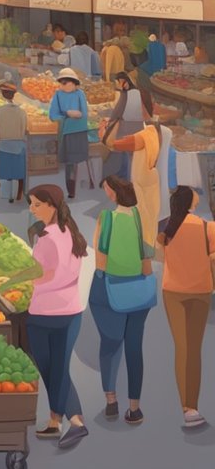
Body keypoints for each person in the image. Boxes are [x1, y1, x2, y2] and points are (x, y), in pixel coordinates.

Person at [25, 184, 89, 448]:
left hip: (45, 312)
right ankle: (60, 422)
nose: (31, 208)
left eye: (37, 204)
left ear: (51, 205)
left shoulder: (48, 237)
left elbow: (49, 275)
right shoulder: (71, 231)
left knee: (51, 369)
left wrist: (26, 284)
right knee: (60, 369)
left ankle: (70, 422)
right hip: (72, 311)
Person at [89, 176, 153, 425]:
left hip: (111, 288)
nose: (106, 193)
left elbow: (100, 255)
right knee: (134, 348)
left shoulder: (106, 218)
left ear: (114, 193)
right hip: (138, 291)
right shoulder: (140, 217)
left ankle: (111, 401)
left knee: (110, 343)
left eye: (106, 189)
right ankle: (135, 408)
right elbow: (147, 259)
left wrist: (99, 282)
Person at [157, 185, 215, 429]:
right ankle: (193, 404)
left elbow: (160, 257)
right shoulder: (208, 227)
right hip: (201, 292)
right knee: (194, 350)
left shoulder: (163, 228)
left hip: (173, 292)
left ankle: (187, 408)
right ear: (192, 203)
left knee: (182, 348)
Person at [107, 119, 162, 246]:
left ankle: (143, 248)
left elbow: (110, 144)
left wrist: (109, 128)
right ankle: (147, 247)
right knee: (150, 217)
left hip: (143, 180)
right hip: (151, 176)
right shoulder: (154, 133)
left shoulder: (142, 137)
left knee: (142, 217)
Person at [101, 72, 153, 181]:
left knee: (129, 155)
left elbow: (119, 111)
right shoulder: (134, 92)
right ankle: (124, 172)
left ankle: (129, 178)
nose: (118, 85)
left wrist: (110, 122)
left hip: (130, 128)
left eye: (119, 82)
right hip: (134, 126)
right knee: (127, 154)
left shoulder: (130, 94)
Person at [48, 68, 91, 199]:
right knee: (70, 163)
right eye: (61, 82)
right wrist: (67, 113)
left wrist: (79, 115)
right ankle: (71, 189)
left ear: (74, 83)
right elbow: (53, 114)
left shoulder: (80, 94)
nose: (63, 85)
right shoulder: (58, 95)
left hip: (80, 131)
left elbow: (84, 113)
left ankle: (85, 184)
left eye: (65, 82)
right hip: (67, 131)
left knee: (80, 159)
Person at [0, 79, 28, 203]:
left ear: (1, 93)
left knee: (5, 171)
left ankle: (6, 195)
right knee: (18, 171)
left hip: (4, 146)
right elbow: (25, 129)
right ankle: (17, 195)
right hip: (19, 146)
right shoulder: (22, 112)